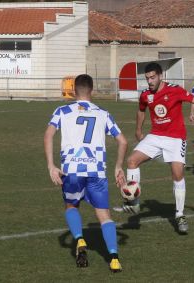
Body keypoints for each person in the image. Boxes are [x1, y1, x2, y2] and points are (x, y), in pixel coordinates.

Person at [114, 62, 194, 233]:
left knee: (177, 174)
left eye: (152, 77)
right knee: (132, 161)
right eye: (147, 78)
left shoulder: (174, 90)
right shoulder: (146, 94)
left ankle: (180, 214)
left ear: (160, 75)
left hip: (176, 137)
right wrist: (138, 130)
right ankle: (133, 203)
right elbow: (141, 110)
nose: (149, 81)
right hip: (155, 135)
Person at [44, 74, 127, 272]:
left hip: (71, 169)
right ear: (92, 91)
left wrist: (51, 165)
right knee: (105, 216)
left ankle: (80, 239)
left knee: (71, 205)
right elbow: (123, 141)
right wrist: (118, 166)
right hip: (96, 170)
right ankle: (114, 258)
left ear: (73, 91)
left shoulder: (62, 110)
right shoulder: (103, 113)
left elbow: (48, 135)